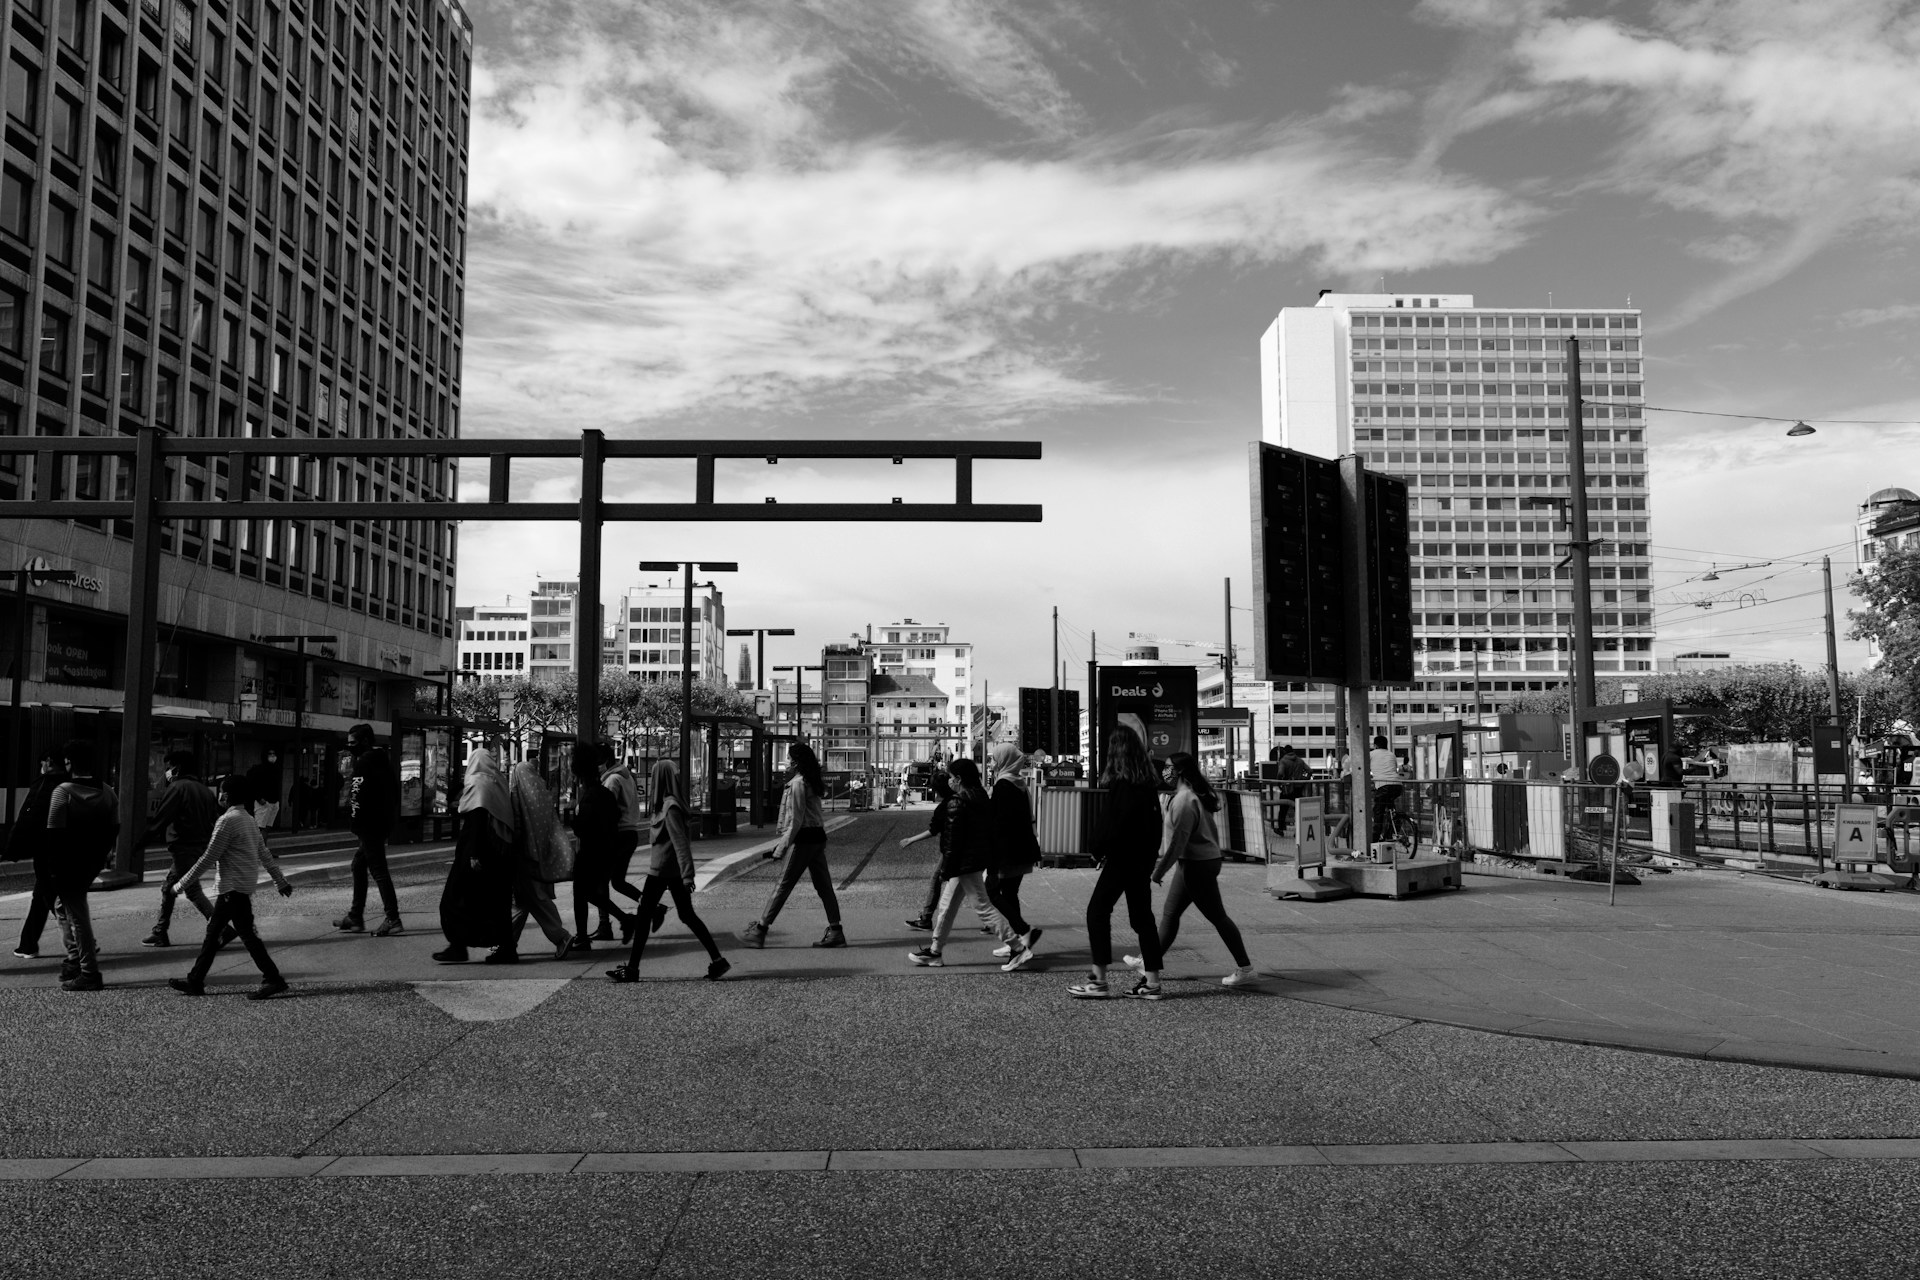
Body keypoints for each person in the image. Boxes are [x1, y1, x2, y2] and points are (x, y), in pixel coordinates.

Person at [1126, 752, 1254, 987]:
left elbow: (1178, 842)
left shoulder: (1184, 800)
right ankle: (1148, 960)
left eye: (1168, 767)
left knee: (1216, 916)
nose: (1164, 772)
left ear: (1180, 772)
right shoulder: (1190, 796)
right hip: (1196, 862)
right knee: (1170, 914)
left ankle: (1245, 968)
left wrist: (1159, 871)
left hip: (1197, 865)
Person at [166, 775, 294, 999]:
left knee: (236, 936)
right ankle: (195, 980)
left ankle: (273, 979)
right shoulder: (248, 819)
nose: (220, 795)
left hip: (231, 889)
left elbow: (207, 858)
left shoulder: (227, 821)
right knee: (220, 933)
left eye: (223, 791)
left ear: (230, 795)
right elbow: (264, 853)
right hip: (240, 886)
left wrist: (181, 884)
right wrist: (280, 881)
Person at [606, 760, 729, 983]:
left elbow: (681, 843)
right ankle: (718, 960)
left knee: (645, 918)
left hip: (662, 871)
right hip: (667, 871)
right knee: (685, 916)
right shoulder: (667, 804)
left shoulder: (670, 807)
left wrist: (688, 875)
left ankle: (632, 970)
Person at [1069, 727, 1165, 1001]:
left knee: (1097, 912)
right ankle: (1152, 982)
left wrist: (1096, 851)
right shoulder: (1147, 785)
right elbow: (1154, 827)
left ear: (1115, 752)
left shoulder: (1122, 785)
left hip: (1122, 858)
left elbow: (1112, 825)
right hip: (1142, 859)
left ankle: (1098, 980)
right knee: (1143, 919)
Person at [906, 758, 1016, 968]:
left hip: (965, 863)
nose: (949, 781)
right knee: (946, 906)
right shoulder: (981, 796)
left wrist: (946, 869)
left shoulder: (958, 801)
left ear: (958, 779)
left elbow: (952, 842)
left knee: (983, 907)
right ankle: (935, 951)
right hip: (974, 860)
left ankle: (1017, 946)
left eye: (951, 777)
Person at [740, 743, 844, 949]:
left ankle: (760, 930)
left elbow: (796, 821)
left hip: (803, 839)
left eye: (788, 759)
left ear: (796, 762)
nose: (786, 763)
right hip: (817, 838)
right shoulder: (810, 780)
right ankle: (836, 931)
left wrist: (781, 847)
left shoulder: (797, 784)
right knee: (824, 886)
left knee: (783, 886)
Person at [432, 748, 517, 964]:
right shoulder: (498, 783)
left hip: (476, 853)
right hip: (499, 855)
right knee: (496, 903)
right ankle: (505, 948)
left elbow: (477, 819)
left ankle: (458, 946)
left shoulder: (478, 783)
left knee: (454, 899)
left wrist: (474, 854)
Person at [45, 740, 118, 991]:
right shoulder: (108, 791)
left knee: (77, 916)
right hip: (92, 862)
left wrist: (52, 869)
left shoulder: (62, 791)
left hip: (67, 863)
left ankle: (88, 971)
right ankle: (75, 957)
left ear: (69, 763)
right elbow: (113, 829)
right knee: (63, 907)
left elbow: (54, 833)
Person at [497, 760, 577, 963]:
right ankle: (506, 942)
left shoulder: (517, 794)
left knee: (534, 899)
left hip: (523, 856)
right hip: (540, 853)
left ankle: (561, 936)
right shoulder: (542, 793)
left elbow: (515, 826)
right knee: (522, 901)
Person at [140, 751, 220, 948]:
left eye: (170, 767)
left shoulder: (177, 788)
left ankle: (220, 929)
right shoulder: (205, 791)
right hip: (199, 845)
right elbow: (214, 821)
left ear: (178, 767)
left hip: (183, 845)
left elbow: (161, 818)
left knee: (192, 890)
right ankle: (160, 931)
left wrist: (140, 842)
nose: (167, 771)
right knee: (168, 888)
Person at [334, 724, 402, 936]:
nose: (349, 746)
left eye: (353, 742)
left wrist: (355, 823)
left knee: (379, 871)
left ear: (364, 741)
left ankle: (393, 918)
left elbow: (357, 795)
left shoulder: (363, 763)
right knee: (358, 865)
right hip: (382, 822)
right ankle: (355, 916)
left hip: (368, 825)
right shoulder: (384, 761)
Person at [984, 743, 1044, 972]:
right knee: (1010, 894)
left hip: (1006, 851)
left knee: (991, 893)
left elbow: (999, 823)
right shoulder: (1019, 782)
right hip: (1022, 848)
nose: (991, 764)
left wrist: (991, 856)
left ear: (1003, 760)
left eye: (993, 759)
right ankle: (1015, 941)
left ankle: (1022, 933)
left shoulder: (1002, 784)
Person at [567, 752, 632, 951]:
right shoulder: (604, 793)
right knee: (593, 894)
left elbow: (580, 828)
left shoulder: (589, 797)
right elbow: (616, 815)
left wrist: (572, 814)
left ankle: (583, 936)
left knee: (581, 894)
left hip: (590, 853)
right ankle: (624, 919)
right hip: (606, 850)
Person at [9, 752, 69, 961]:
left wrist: (13, 848)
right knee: (44, 896)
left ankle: (80, 941)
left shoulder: (46, 784)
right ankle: (27, 944)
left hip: (46, 848)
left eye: (42, 762)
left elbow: (29, 816)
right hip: (64, 848)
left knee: (48, 895)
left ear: (49, 762)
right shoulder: (71, 784)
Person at [599, 745, 655, 941]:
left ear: (605, 761)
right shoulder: (625, 776)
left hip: (618, 834)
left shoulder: (612, 780)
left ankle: (608, 924)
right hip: (629, 833)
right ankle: (653, 907)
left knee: (601, 883)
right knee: (617, 881)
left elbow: (605, 810)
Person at [901, 771, 956, 931]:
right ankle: (926, 917)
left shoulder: (943, 807)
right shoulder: (960, 799)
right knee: (973, 889)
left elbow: (933, 830)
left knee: (936, 881)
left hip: (950, 851)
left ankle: (926, 919)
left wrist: (911, 839)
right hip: (961, 850)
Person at [1272, 744, 1310, 836]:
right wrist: (1304, 780)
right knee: (1298, 810)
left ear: (1284, 752)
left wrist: (1279, 782)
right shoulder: (1300, 761)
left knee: (1283, 809)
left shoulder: (1283, 761)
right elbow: (1310, 771)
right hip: (1298, 789)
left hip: (1286, 789)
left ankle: (1281, 829)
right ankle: (1298, 831)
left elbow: (1280, 773)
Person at [247, 749, 284, 832]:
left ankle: (263, 844)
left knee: (267, 827)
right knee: (260, 828)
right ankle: (260, 844)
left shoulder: (276, 769)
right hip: (263, 802)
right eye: (270, 754)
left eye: (274, 754)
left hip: (273, 802)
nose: (272, 756)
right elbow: (251, 785)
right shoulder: (258, 769)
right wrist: (259, 798)